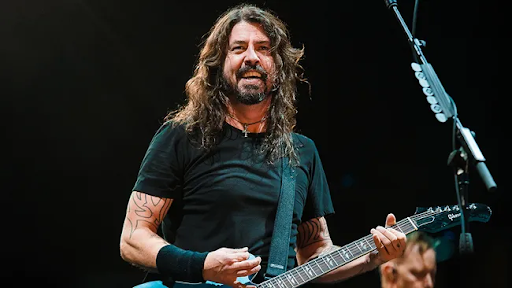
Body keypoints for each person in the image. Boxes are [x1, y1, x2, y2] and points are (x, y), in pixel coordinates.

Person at [119, 3, 406, 288]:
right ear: (218, 65)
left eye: (264, 48)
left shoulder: (300, 152)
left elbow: (315, 253)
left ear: (279, 67)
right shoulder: (181, 136)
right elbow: (133, 239)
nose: (252, 57)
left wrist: (370, 257)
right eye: (238, 48)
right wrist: (203, 267)